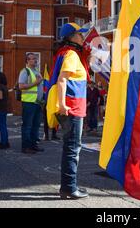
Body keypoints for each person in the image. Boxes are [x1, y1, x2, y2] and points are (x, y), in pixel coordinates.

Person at [48, 22, 90, 200]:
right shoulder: (72, 54)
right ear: (71, 37)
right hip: (71, 106)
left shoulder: (65, 53)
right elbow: (62, 80)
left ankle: (68, 186)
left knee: (70, 147)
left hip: (71, 105)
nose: (83, 37)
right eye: (80, 34)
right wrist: (63, 105)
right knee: (73, 148)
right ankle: (69, 188)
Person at [18, 53, 45, 154]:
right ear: (27, 61)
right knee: (27, 125)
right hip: (29, 102)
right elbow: (21, 86)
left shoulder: (37, 72)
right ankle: (26, 147)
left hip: (38, 102)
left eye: (36, 58)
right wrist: (36, 83)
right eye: (33, 59)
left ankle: (33, 145)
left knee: (36, 125)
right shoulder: (25, 71)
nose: (35, 60)